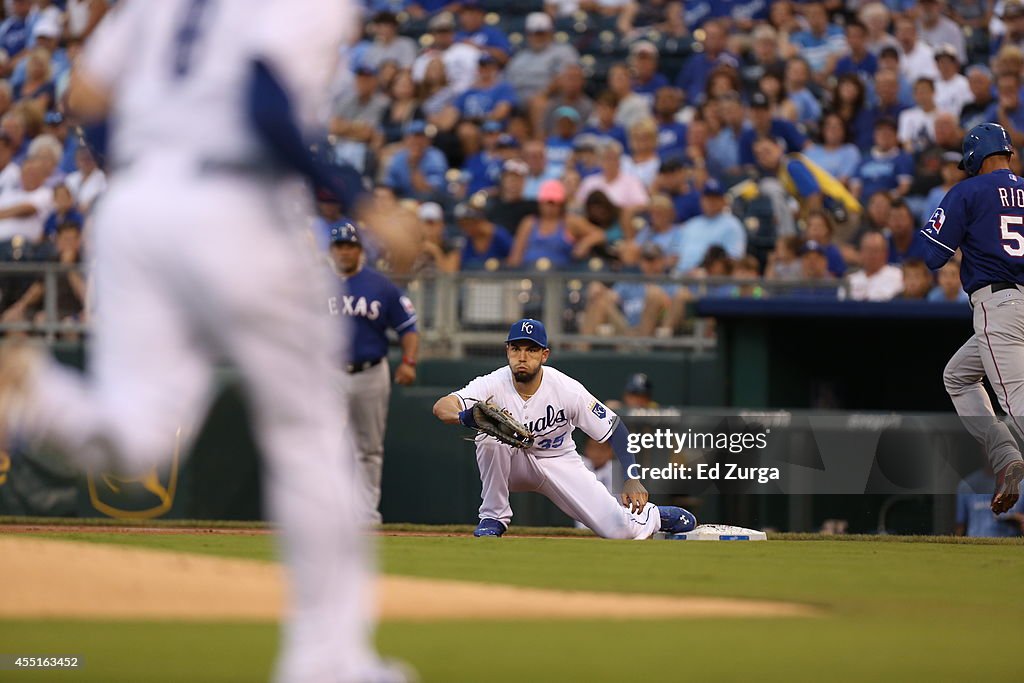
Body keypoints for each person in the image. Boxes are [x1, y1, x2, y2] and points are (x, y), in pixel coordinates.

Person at [0, 2, 414, 682]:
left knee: (138, 434)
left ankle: (39, 394)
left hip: (135, 207)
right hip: (236, 206)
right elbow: (262, 98)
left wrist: (141, 169)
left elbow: (85, 94)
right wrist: (360, 202)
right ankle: (327, 663)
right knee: (308, 433)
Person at [430, 318, 696, 538]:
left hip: (558, 460)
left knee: (618, 530)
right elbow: (442, 406)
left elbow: (615, 428)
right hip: (514, 464)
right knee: (489, 440)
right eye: (516, 348)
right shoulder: (492, 383)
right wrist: (466, 417)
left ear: (544, 354)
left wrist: (631, 476)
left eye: (531, 349)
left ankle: (654, 516)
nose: (522, 357)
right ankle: (493, 518)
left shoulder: (567, 389)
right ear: (507, 351)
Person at [920, 122, 1024, 515]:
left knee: (1017, 402)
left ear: (974, 159)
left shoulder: (968, 190)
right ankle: (1006, 454)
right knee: (959, 375)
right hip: (1016, 304)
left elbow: (933, 256)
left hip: (1000, 306)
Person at [327, 223, 418, 526]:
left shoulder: (380, 285)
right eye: (340, 245)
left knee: (369, 447)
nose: (345, 250)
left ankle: (365, 515)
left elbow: (408, 329)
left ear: (360, 250)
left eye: (350, 245)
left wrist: (408, 361)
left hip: (370, 372)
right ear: (332, 250)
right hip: (329, 373)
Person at [956, 463, 1024, 537]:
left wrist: (1018, 519)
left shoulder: (1021, 485)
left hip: (1009, 544)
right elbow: (960, 526)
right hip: (976, 544)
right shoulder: (967, 485)